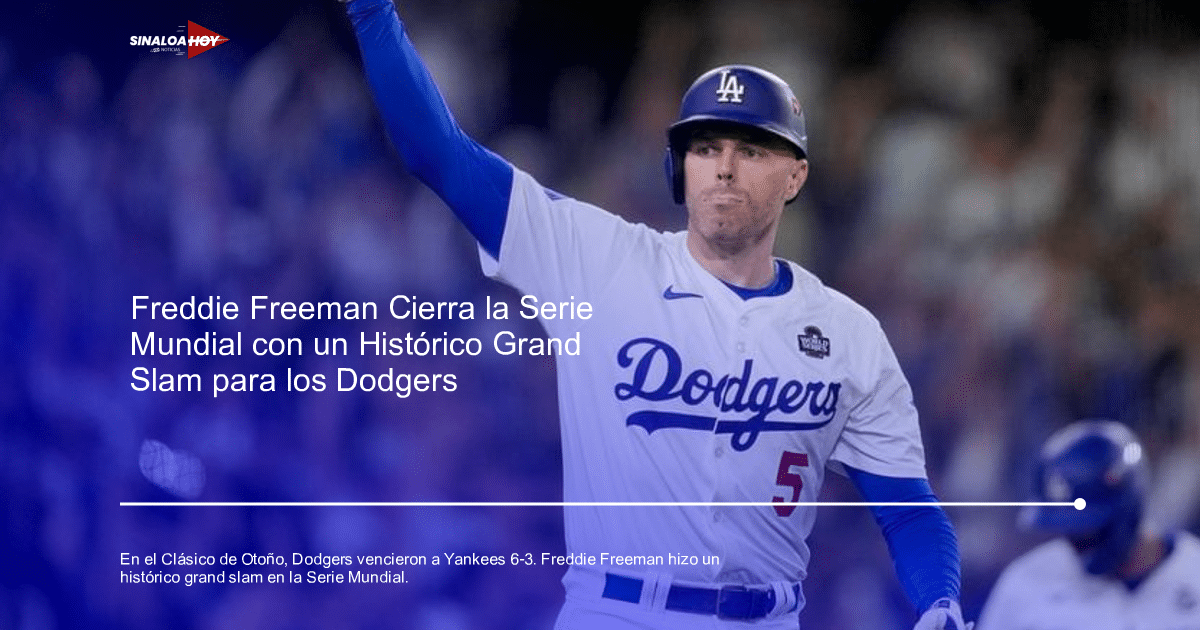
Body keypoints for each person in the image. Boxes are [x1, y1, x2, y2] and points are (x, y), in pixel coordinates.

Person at [340, 0, 967, 627]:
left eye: (752, 150)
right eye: (705, 146)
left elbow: (907, 508)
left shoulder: (848, 333)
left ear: (795, 176)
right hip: (615, 612)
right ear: (678, 168)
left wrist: (939, 599)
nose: (724, 167)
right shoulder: (600, 258)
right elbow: (437, 153)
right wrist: (373, 14)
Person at [977, 419, 1200, 629]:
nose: (1076, 539)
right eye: (1067, 526)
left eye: (1086, 526)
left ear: (1127, 509)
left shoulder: (1194, 573)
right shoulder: (1025, 582)